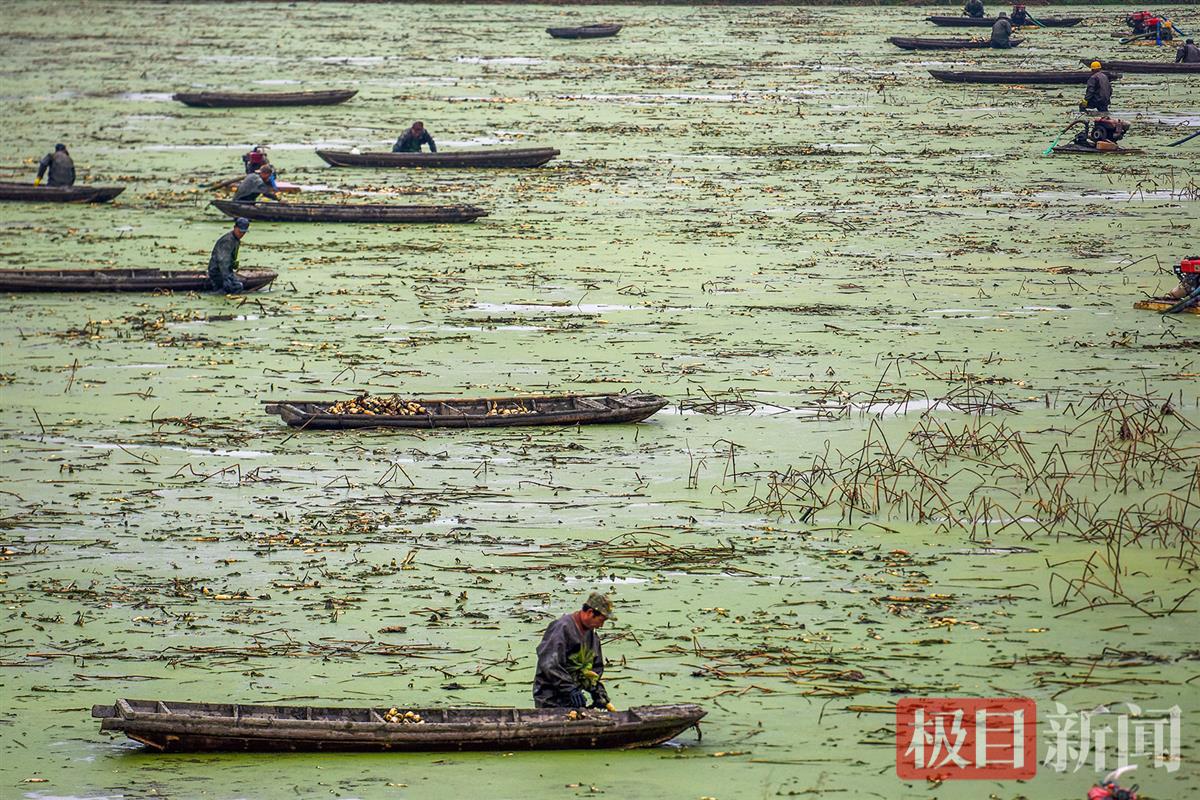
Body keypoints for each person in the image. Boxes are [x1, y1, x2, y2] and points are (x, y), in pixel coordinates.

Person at [533, 592, 615, 710]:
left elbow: (594, 668)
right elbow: (549, 664)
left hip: (574, 699)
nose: (601, 625)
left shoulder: (592, 635)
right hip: (550, 698)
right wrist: (570, 689)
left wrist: (598, 692)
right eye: (601, 620)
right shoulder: (562, 628)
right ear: (590, 613)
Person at [208, 217, 250, 294]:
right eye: (240, 231)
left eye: (244, 232)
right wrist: (227, 278)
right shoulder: (227, 241)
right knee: (237, 287)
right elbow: (223, 261)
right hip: (217, 272)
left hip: (226, 271)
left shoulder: (235, 239)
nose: (242, 234)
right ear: (235, 228)